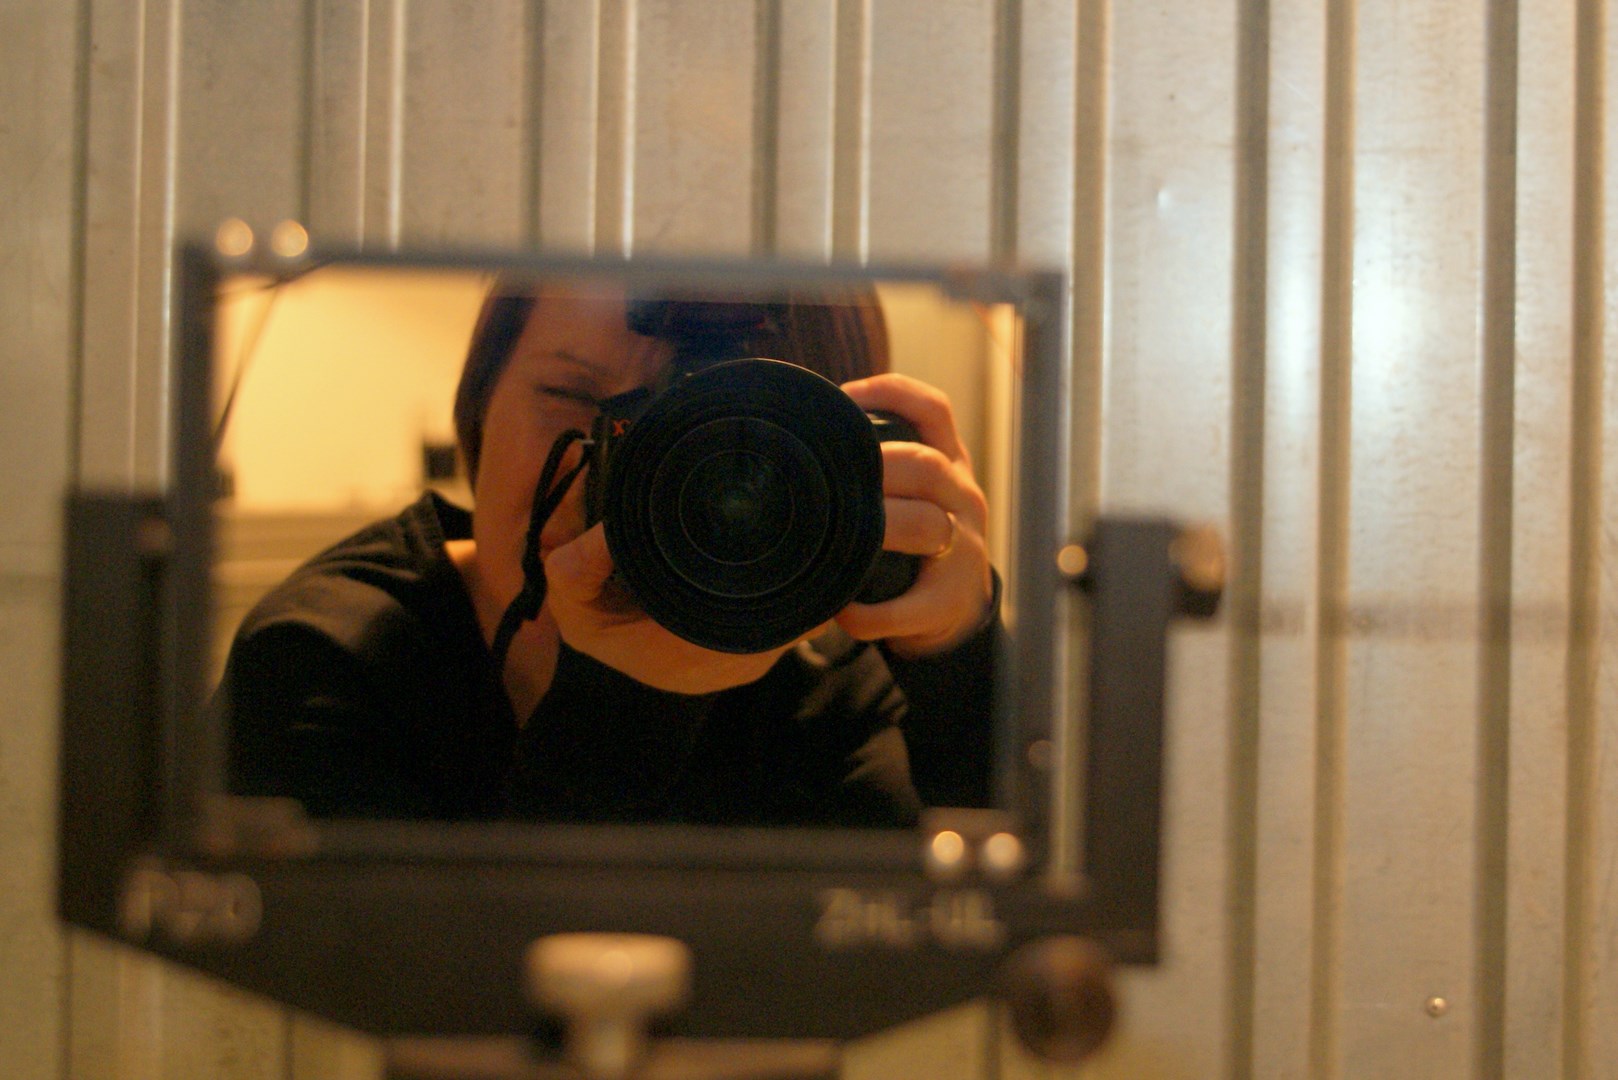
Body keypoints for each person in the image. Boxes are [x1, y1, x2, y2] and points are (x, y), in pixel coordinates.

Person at [221, 277, 1000, 826]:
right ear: (480, 404)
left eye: (716, 439)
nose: (624, 474)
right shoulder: (331, 659)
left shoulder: (826, 672)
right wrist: (628, 707)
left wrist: (956, 653)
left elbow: (972, 956)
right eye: (570, 398)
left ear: (841, 461)